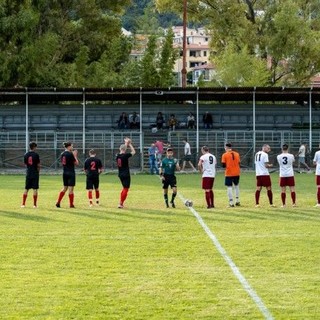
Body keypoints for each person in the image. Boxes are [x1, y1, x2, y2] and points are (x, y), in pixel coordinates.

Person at [56, 141, 79, 208]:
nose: (72, 147)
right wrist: (75, 156)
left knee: (64, 188)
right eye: (72, 146)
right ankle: (71, 204)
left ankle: (58, 202)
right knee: (71, 189)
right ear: (68, 147)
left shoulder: (62, 154)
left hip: (64, 172)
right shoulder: (70, 154)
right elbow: (76, 163)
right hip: (71, 173)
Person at [116, 137, 136, 208]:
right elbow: (133, 152)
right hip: (126, 174)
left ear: (119, 149)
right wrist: (130, 144)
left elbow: (123, 150)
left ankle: (121, 203)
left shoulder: (117, 156)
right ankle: (121, 203)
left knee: (124, 188)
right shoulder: (125, 156)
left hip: (120, 174)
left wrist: (126, 144)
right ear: (125, 149)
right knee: (126, 189)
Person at [21, 141, 40, 208]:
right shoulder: (36, 155)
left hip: (28, 173)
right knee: (35, 189)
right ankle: (34, 205)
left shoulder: (26, 154)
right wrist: (38, 172)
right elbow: (38, 165)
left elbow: (25, 164)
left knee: (26, 189)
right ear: (34, 147)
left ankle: (23, 204)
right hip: (35, 173)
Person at [221, 143, 241, 207]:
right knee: (236, 186)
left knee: (229, 187)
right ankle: (237, 201)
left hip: (229, 173)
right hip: (237, 172)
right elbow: (238, 162)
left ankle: (231, 202)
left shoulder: (225, 155)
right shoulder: (237, 154)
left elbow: (223, 165)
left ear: (226, 147)